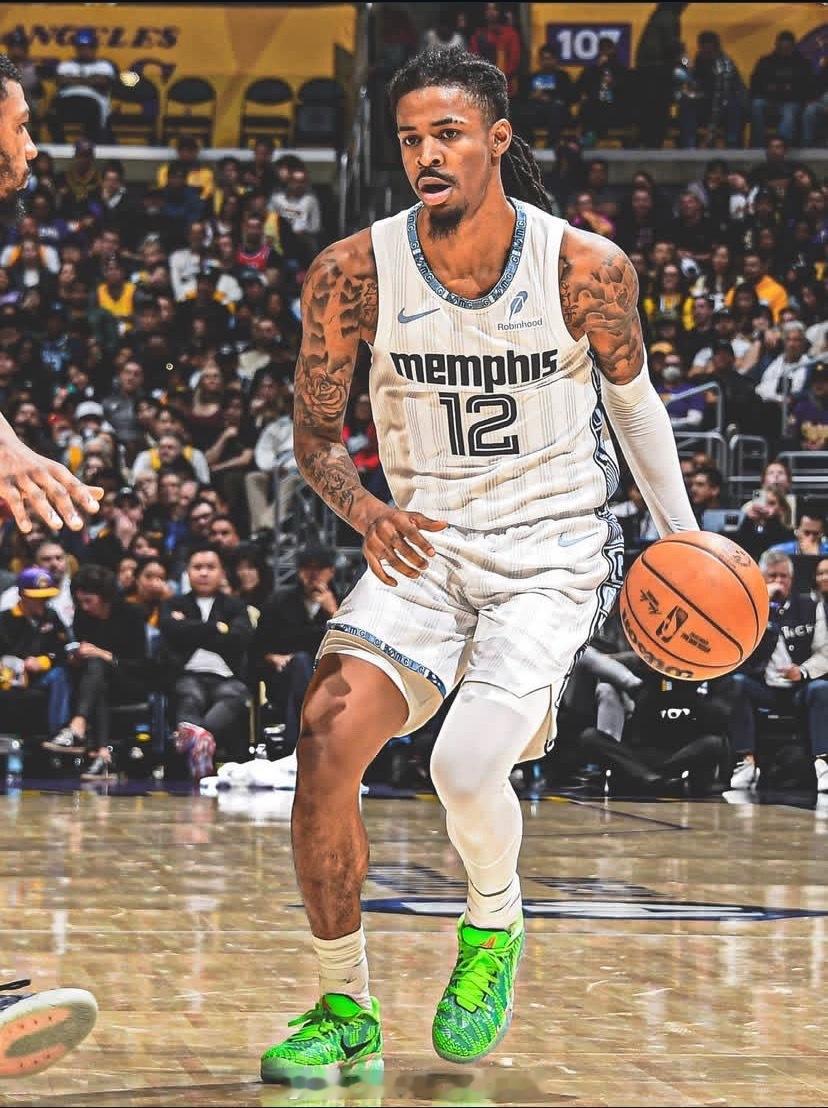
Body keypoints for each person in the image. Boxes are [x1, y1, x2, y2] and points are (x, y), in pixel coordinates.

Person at [259, 46, 698, 1084]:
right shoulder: (352, 273)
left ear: (497, 140)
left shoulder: (584, 268)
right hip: (422, 541)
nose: (426, 154)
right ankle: (345, 1006)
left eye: (447, 134)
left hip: (552, 550)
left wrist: (681, 539)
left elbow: (635, 406)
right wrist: (365, 508)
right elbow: (316, 435)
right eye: (410, 137)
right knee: (323, 738)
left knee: (462, 768)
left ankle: (494, 921)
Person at [728, 550, 828, 791]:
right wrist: (766, 607)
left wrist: (802, 671)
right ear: (761, 579)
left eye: (784, 576)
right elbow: (743, 654)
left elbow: (824, 652)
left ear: (791, 580)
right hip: (765, 687)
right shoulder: (750, 610)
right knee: (737, 683)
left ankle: (823, 764)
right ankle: (746, 762)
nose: (779, 582)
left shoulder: (811, 606)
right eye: (772, 576)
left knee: (821, 688)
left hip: (798, 688)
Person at [43, 563, 148, 779]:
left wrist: (103, 654)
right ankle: (102, 754)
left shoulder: (132, 614)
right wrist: (76, 657)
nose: (85, 607)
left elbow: (141, 662)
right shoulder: (83, 616)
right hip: (95, 682)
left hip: (129, 677)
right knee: (97, 678)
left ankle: (78, 726)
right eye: (80, 602)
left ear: (105, 597)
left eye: (89, 601)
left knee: (97, 667)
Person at [160, 543, 253, 775]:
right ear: (187, 572)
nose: (203, 573)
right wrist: (216, 629)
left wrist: (189, 629)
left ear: (222, 572)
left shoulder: (235, 605)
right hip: (187, 674)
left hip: (226, 675)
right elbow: (171, 630)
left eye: (210, 567)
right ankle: (198, 748)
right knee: (189, 697)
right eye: (197, 567)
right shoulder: (173, 603)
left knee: (233, 696)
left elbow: (239, 639)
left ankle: (199, 738)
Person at [252, 544, 338, 753]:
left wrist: (333, 613)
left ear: (331, 571)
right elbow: (258, 646)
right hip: (285, 677)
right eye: (307, 568)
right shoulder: (279, 601)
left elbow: (350, 644)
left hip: (330, 677)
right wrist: (273, 657)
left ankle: (297, 743)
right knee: (300, 662)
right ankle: (305, 740)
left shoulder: (344, 602)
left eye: (319, 568)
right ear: (299, 571)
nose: (313, 575)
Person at [0, 566, 71, 736]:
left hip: (41, 675)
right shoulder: (5, 619)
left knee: (61, 674)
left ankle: (58, 732)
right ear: (22, 594)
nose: (42, 601)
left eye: (46, 596)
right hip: (9, 676)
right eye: (36, 597)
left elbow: (64, 649)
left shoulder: (52, 616)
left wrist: (44, 661)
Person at [51, 28, 116, 143]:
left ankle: (90, 144)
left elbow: (102, 81)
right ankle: (60, 144)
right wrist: (90, 79)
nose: (85, 51)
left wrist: (73, 79)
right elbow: (61, 80)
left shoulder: (104, 66)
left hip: (94, 101)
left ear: (94, 48)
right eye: (81, 47)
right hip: (68, 100)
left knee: (91, 108)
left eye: (89, 47)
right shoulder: (66, 65)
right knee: (51, 111)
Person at [749, 31, 814, 147]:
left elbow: (807, 88)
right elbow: (755, 84)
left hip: (792, 102)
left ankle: (781, 146)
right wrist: (779, 89)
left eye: (787, 48)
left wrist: (781, 89)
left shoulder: (802, 63)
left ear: (793, 47)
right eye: (781, 48)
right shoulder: (765, 62)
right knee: (756, 105)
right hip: (769, 100)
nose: (784, 51)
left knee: (789, 112)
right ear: (776, 46)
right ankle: (757, 145)